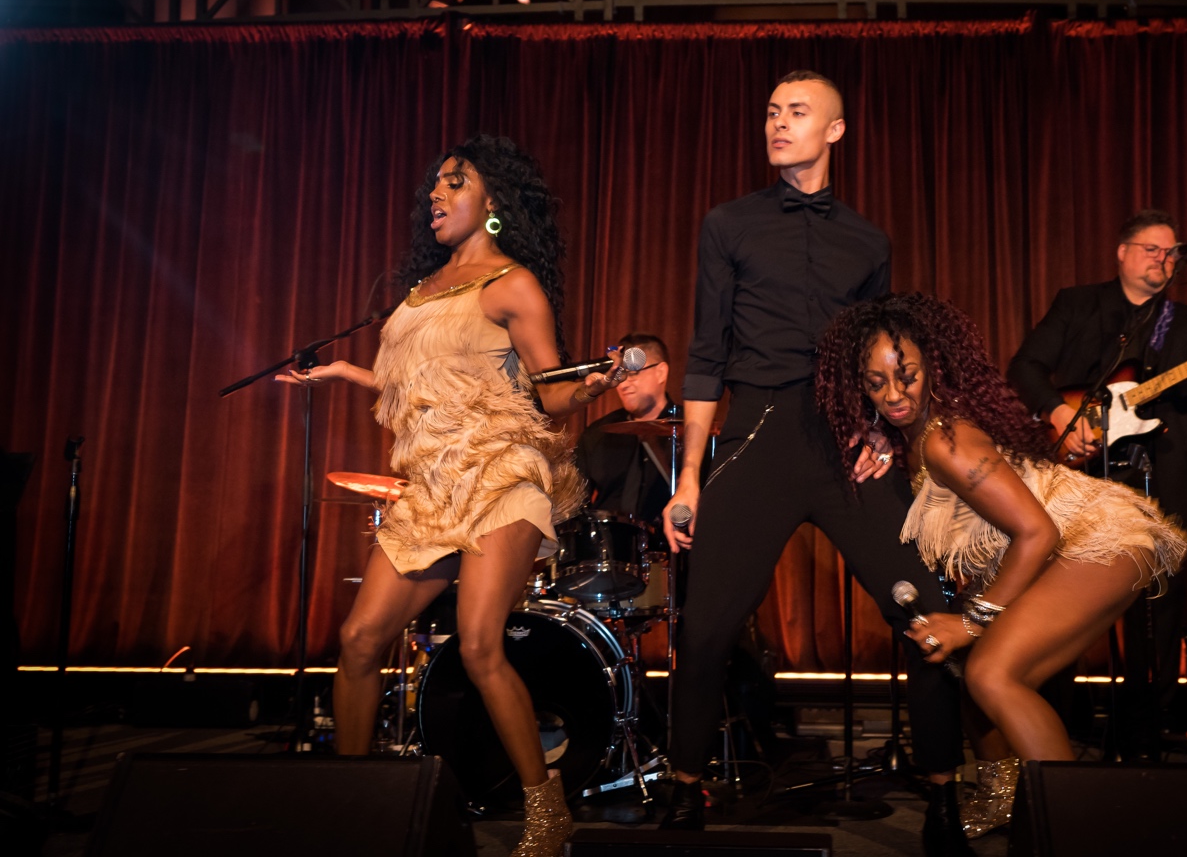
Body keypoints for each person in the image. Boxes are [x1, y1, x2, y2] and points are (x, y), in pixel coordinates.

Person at [276, 134, 622, 857]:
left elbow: (550, 392)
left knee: (477, 644)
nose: (435, 194)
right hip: (432, 486)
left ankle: (546, 809)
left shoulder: (512, 285)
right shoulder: (420, 291)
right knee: (360, 640)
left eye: (453, 182)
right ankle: (357, 799)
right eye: (433, 184)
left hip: (500, 476)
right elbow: (422, 386)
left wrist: (595, 385)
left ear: (491, 199)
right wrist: (345, 372)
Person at [660, 71, 972, 856]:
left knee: (928, 617)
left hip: (842, 445)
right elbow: (704, 351)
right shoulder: (727, 224)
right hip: (756, 433)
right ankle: (684, 789)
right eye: (770, 112)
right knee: (704, 630)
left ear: (835, 131)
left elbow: (883, 356)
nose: (778, 124)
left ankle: (943, 797)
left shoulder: (867, 240)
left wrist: (883, 433)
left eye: (797, 113)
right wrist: (690, 476)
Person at [816, 293, 1187, 838]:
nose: (894, 394)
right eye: (876, 383)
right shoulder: (912, 437)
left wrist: (972, 620)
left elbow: (1038, 532)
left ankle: (1073, 829)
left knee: (994, 672)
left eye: (908, 376)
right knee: (974, 673)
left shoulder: (947, 441)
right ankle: (1003, 798)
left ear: (933, 367)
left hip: (1097, 542)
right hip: (1061, 549)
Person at [1005, 209, 1187, 759]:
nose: (1162, 260)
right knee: (1064, 598)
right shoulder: (1078, 304)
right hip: (1083, 474)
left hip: (1168, 478)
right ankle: (1055, 727)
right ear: (1121, 252)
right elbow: (1024, 368)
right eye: (1150, 250)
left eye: (1170, 253)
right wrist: (1058, 420)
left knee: (1157, 610)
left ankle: (1145, 732)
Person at [575, 332, 677, 526]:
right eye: (620, 374)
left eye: (634, 372)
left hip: (669, 545)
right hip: (608, 548)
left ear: (661, 372)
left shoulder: (690, 430)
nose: (624, 383)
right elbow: (576, 504)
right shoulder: (597, 433)